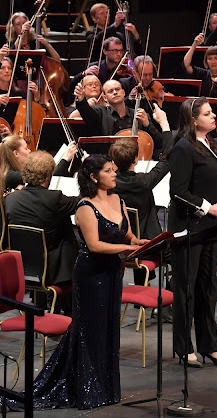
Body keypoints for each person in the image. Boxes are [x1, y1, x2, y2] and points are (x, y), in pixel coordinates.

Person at [21, 154, 144, 409]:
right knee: (90, 331)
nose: (114, 175)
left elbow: (128, 234)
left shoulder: (119, 200)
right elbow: (95, 245)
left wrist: (138, 242)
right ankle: (87, 390)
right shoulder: (85, 207)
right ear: (93, 177)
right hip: (91, 275)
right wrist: (124, 248)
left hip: (113, 272)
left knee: (109, 328)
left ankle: (106, 389)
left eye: (114, 170)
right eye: (109, 171)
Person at [167, 97, 217, 367]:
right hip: (189, 228)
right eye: (207, 114)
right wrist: (208, 209)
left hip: (211, 228)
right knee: (187, 289)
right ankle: (184, 347)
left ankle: (209, 344)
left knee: (207, 289)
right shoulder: (183, 148)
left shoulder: (212, 146)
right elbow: (178, 192)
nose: (213, 117)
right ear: (194, 120)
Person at [4, 151, 80, 315]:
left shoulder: (10, 199)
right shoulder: (55, 198)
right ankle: (69, 310)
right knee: (69, 236)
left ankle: (46, 306)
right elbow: (81, 202)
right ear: (49, 175)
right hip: (52, 270)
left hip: (23, 266)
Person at [109, 103, 172, 286]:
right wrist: (165, 125)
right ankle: (171, 297)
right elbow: (167, 157)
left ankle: (141, 286)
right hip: (146, 244)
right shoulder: (143, 181)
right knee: (178, 251)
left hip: (119, 242)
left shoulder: (109, 184)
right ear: (136, 160)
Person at [75, 79, 163, 159]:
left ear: (123, 92)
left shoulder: (139, 114)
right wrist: (81, 99)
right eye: (110, 91)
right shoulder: (100, 112)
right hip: (109, 164)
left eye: (117, 89)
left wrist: (147, 125)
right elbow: (87, 113)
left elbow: (160, 142)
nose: (115, 92)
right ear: (105, 98)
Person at [0, 134, 78, 194]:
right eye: (26, 148)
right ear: (16, 153)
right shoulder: (10, 175)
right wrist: (65, 159)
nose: (29, 151)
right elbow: (46, 180)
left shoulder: (10, 172)